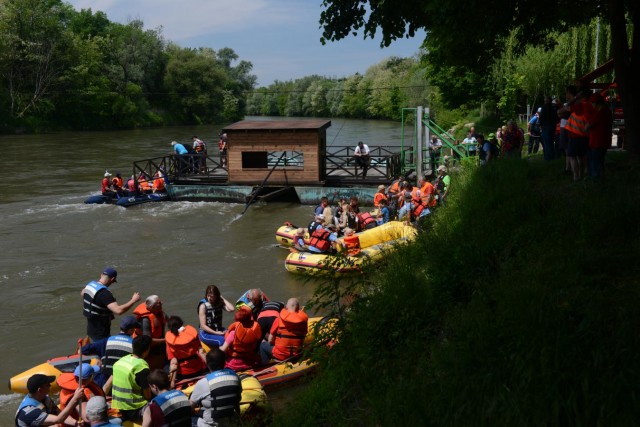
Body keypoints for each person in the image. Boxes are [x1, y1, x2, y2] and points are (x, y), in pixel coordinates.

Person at [81, 315, 139, 393]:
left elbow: (84, 350)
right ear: (131, 330)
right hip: (120, 385)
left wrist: (99, 356)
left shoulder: (107, 340)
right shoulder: (134, 344)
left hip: (102, 382)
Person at [82, 267, 141, 342]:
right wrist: (133, 300)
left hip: (91, 328)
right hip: (101, 332)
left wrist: (98, 302)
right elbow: (118, 311)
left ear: (101, 275)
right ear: (112, 279)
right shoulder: (105, 294)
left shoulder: (89, 286)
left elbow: (83, 294)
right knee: (102, 349)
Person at [189, 348, 242, 427]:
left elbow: (190, 407)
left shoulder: (203, 383)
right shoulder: (236, 377)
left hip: (211, 424)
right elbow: (238, 398)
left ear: (207, 364)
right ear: (224, 362)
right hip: (232, 422)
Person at [111, 335, 152, 422]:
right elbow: (148, 396)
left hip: (119, 406)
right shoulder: (141, 367)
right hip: (135, 409)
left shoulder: (121, 361)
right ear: (146, 351)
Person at [16, 374, 83, 427]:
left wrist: (76, 423)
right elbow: (58, 419)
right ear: (40, 390)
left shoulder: (45, 398)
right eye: (47, 385)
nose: (50, 385)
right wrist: (74, 399)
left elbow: (59, 413)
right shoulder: (29, 411)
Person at [260, 298, 309, 364]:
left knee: (262, 345)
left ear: (286, 307)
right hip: (296, 354)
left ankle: (265, 365)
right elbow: (303, 337)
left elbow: (270, 340)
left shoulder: (279, 320)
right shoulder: (304, 322)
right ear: (298, 308)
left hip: (280, 355)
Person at [165, 316, 207, 388]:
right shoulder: (192, 334)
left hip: (183, 374)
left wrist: (172, 381)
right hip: (198, 369)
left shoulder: (170, 340)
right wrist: (211, 368)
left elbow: (174, 362)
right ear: (181, 323)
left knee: (165, 367)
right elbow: (201, 352)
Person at [220, 306, 262, 371]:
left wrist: (218, 348)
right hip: (249, 360)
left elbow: (223, 350)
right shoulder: (254, 331)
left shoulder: (233, 333)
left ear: (237, 321)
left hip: (234, 363)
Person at [133, 295, 167, 370]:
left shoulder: (159, 312)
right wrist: (166, 340)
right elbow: (147, 341)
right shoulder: (145, 320)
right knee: (153, 367)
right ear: (152, 307)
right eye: (159, 303)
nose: (162, 303)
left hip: (160, 343)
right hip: (148, 349)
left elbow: (168, 321)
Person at [585, 93, 612, 180]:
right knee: (600, 162)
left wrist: (586, 127)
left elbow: (587, 126)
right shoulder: (607, 111)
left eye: (592, 103)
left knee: (595, 164)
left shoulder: (601, 112)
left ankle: (596, 182)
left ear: (597, 103)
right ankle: (600, 180)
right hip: (603, 141)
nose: (592, 105)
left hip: (597, 142)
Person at [565, 89, 591, 181]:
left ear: (582, 97)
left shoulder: (580, 105)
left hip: (575, 135)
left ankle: (576, 176)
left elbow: (567, 107)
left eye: (578, 96)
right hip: (584, 135)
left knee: (572, 156)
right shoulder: (590, 105)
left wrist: (574, 99)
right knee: (582, 156)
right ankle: (582, 174)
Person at [539, 96, 558, 160]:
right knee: (551, 142)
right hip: (553, 126)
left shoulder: (544, 107)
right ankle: (552, 156)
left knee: (547, 143)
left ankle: (548, 158)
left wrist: (541, 125)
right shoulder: (554, 107)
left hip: (546, 126)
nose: (545, 102)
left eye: (546, 101)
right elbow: (557, 117)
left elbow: (541, 118)